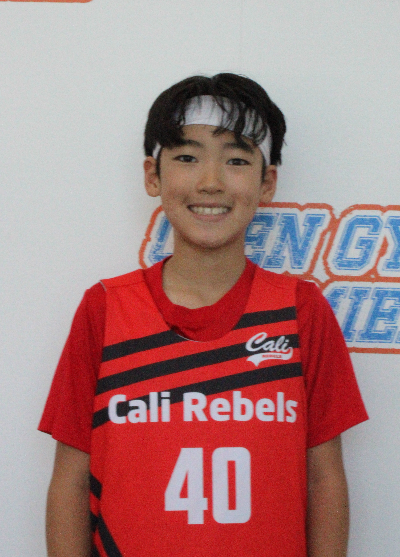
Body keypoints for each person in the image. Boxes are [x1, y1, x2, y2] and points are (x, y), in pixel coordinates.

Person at [40, 73, 368, 557]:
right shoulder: (106, 308)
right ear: (153, 175)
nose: (210, 182)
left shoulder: (301, 310)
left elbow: (324, 478)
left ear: (267, 182)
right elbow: (70, 479)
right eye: (187, 157)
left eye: (236, 160)